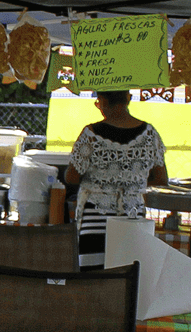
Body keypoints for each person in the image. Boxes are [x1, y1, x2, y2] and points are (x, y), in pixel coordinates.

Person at [64, 90, 168, 266]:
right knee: (129, 277)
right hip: (133, 219)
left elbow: (72, 177)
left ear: (103, 101)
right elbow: (161, 178)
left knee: (94, 278)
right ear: (128, 98)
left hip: (95, 220)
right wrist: (132, 183)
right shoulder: (149, 135)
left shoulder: (90, 134)